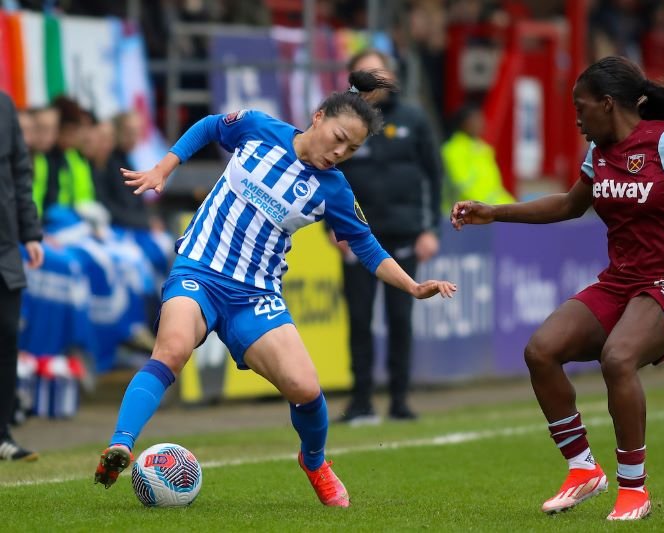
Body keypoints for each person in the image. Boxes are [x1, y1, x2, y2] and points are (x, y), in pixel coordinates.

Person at [92, 70, 457, 508]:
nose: (339, 152)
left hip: (256, 295)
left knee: (305, 388)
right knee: (170, 350)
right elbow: (209, 126)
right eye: (338, 137)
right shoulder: (259, 128)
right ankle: (121, 445)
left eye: (352, 149)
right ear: (318, 118)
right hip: (200, 271)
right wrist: (164, 167)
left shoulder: (334, 190)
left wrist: (413, 286)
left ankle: (316, 462)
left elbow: (367, 245)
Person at [451, 56, 664, 521]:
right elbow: (571, 204)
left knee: (618, 357)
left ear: (607, 104)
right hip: (621, 283)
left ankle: (635, 490)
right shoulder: (599, 151)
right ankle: (582, 469)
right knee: (541, 350)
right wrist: (495, 211)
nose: (576, 118)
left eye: (581, 106)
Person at [334, 49, 443, 424]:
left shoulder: (413, 118)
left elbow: (434, 175)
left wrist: (430, 229)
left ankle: (399, 400)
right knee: (358, 321)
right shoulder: (341, 123)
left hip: (404, 237)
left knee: (401, 319)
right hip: (356, 240)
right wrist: (333, 229)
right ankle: (361, 401)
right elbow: (320, 170)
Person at [0, 91, 45, 461]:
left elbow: (19, 171)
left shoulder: (3, 104)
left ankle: (1, 433)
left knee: (5, 339)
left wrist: (30, 232)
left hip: (4, 249)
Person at [440, 102, 514, 214]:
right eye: (475, 119)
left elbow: (495, 189)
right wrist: (495, 209)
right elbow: (463, 188)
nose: (481, 123)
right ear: (463, 123)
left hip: (487, 214)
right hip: (462, 217)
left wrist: (513, 207)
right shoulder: (452, 150)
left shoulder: (484, 149)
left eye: (481, 119)